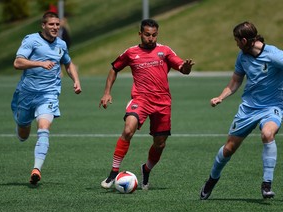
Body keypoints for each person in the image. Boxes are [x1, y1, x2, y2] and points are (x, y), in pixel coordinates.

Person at [99, 18, 195, 190]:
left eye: (154, 35)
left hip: (162, 103)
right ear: (140, 34)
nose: (151, 38)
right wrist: (107, 92)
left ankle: (146, 169)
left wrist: (186, 67)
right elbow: (114, 68)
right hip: (140, 100)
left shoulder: (164, 51)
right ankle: (114, 172)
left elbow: (182, 67)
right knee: (128, 129)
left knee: (160, 144)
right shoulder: (131, 53)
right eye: (147, 35)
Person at [200, 21, 283, 200]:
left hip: (272, 108)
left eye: (236, 40)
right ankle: (211, 180)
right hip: (248, 109)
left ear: (244, 40)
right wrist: (220, 97)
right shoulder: (242, 56)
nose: (236, 44)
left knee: (268, 134)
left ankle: (266, 184)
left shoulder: (275, 55)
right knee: (229, 149)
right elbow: (235, 81)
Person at [11, 11, 82, 185]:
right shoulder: (31, 40)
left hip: (48, 94)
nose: (55, 28)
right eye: (51, 24)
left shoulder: (61, 44)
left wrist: (76, 80)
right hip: (26, 94)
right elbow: (17, 63)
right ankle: (22, 123)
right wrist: (40, 63)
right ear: (43, 25)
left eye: (57, 25)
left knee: (44, 127)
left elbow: (67, 62)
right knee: (23, 133)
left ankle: (36, 169)